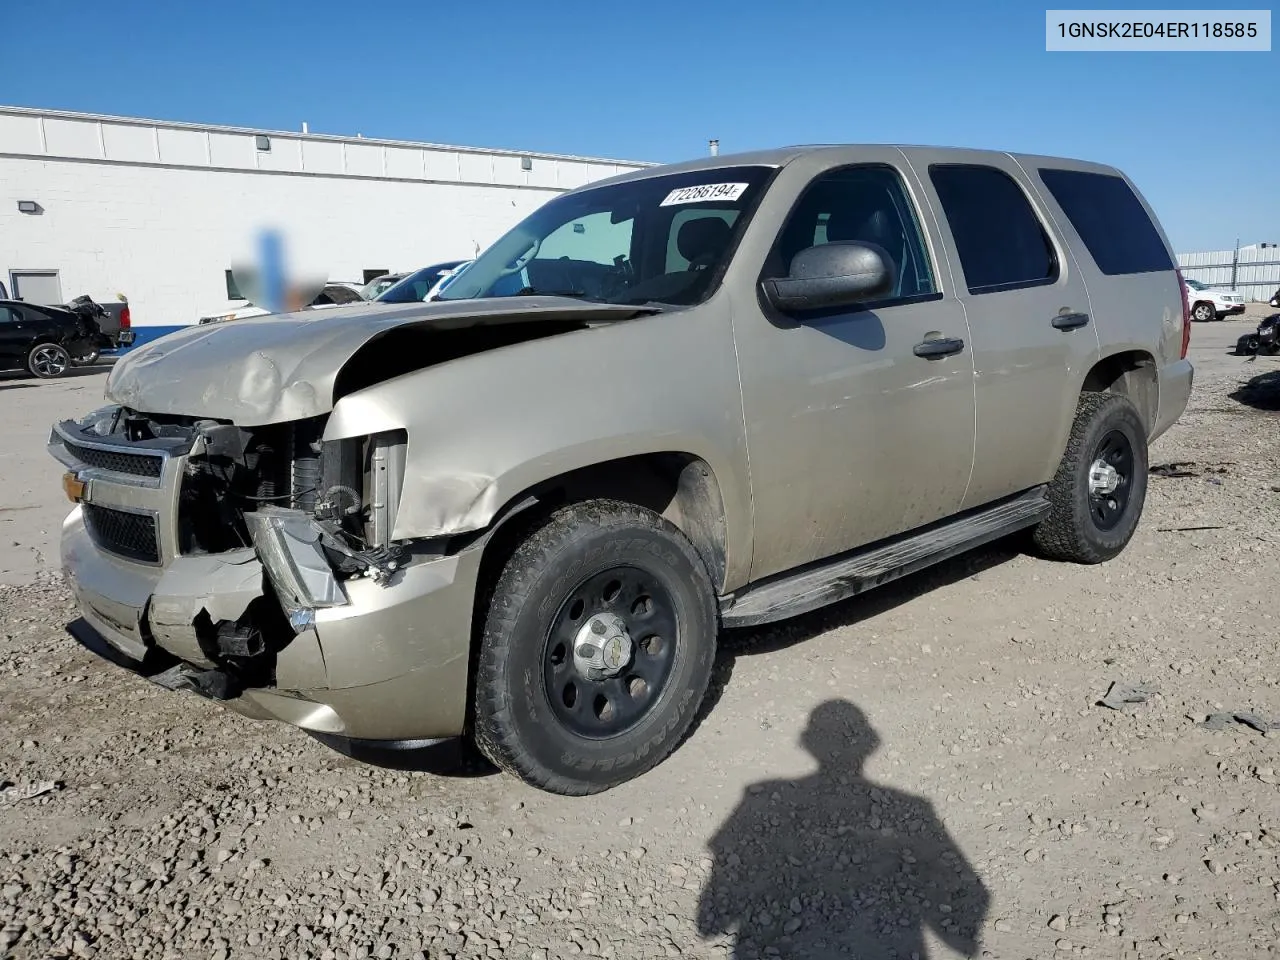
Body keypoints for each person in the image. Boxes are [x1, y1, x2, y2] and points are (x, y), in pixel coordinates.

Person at [697, 700, 990, 959]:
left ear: (807, 742)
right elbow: (970, 898)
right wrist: (959, 936)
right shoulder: (913, 808)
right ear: (870, 743)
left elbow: (710, 920)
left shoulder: (758, 797)